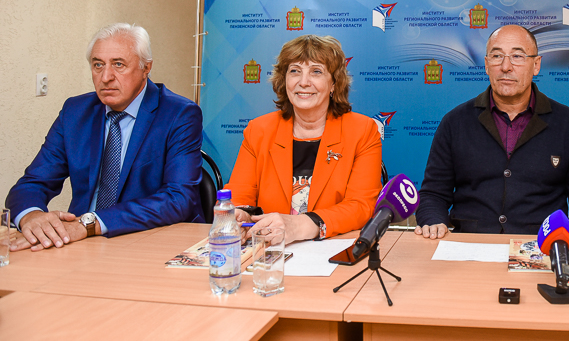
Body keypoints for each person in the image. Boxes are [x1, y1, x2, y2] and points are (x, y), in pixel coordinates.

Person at [6, 23, 203, 251]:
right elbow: (33, 183)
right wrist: (31, 216)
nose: (106, 77)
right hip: (81, 245)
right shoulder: (75, 112)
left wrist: (91, 223)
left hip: (150, 242)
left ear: (146, 68)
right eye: (98, 65)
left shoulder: (179, 114)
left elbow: (179, 198)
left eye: (118, 64)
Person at [414, 24, 569, 239]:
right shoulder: (455, 122)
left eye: (517, 56)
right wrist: (433, 221)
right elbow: (433, 193)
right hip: (471, 244)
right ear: (486, 65)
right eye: (497, 56)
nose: (506, 66)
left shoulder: (568, 123)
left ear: (536, 65)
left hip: (541, 245)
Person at [227, 35, 382, 244]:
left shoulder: (362, 131)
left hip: (331, 247)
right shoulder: (259, 130)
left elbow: (361, 206)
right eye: (295, 71)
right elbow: (240, 195)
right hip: (269, 248)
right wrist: (240, 215)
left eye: (316, 72)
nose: (303, 82)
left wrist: (301, 226)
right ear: (284, 80)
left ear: (334, 83)